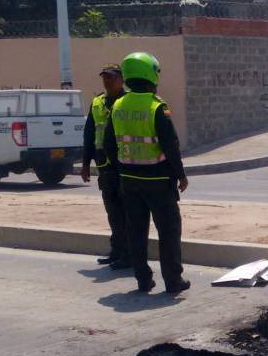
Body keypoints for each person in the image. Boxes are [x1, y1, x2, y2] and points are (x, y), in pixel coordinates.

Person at [104, 52, 191, 294]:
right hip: (159, 181)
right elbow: (170, 145)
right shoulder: (156, 107)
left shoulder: (118, 106)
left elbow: (109, 144)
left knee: (136, 231)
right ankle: (173, 281)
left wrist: (121, 167)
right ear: (149, 74)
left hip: (129, 182)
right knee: (169, 232)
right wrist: (181, 175)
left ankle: (143, 280)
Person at [81, 64, 130, 269]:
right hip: (105, 166)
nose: (107, 81)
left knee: (127, 213)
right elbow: (89, 135)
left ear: (121, 79)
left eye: (111, 77)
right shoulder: (97, 102)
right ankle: (116, 252)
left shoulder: (128, 101)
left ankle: (128, 255)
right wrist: (85, 164)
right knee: (113, 213)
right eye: (104, 77)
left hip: (125, 165)